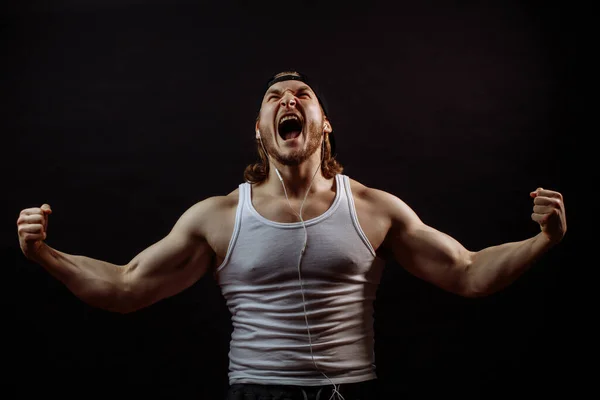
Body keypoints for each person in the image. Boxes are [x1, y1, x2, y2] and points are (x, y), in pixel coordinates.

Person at [16, 71, 567, 400]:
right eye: (275, 97)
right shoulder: (219, 216)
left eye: (302, 94)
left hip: (349, 391)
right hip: (255, 392)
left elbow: (468, 274)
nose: (289, 101)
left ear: (324, 123)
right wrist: (44, 255)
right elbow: (126, 286)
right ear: (259, 130)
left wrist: (542, 241)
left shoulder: (375, 209)